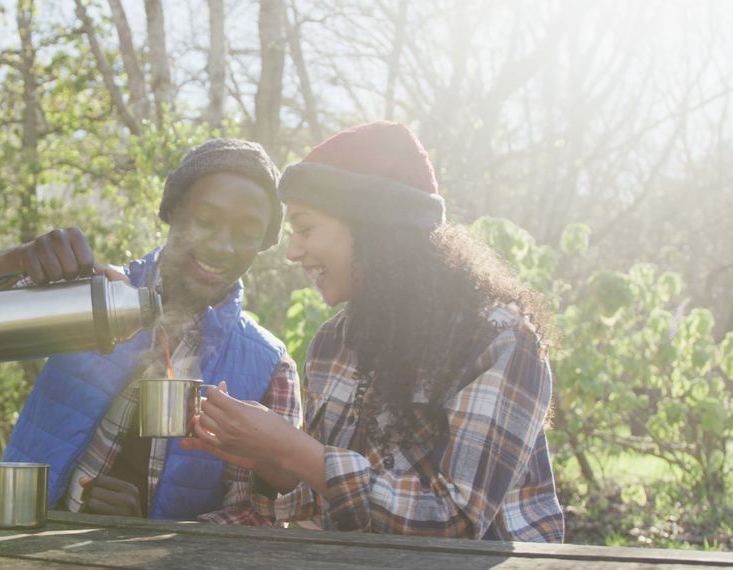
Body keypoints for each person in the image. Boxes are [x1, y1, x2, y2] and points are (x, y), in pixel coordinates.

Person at [182, 122, 565, 541]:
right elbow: (330, 503)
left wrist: (293, 449)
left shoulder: (498, 339)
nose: (292, 251)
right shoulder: (333, 343)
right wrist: (267, 458)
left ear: (374, 228)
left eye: (305, 228)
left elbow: (454, 520)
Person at [0, 139, 301, 524]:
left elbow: (260, 515)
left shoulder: (270, 365)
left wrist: (147, 532)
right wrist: (17, 259)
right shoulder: (90, 292)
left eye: (248, 232)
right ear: (173, 212)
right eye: (205, 221)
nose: (222, 246)